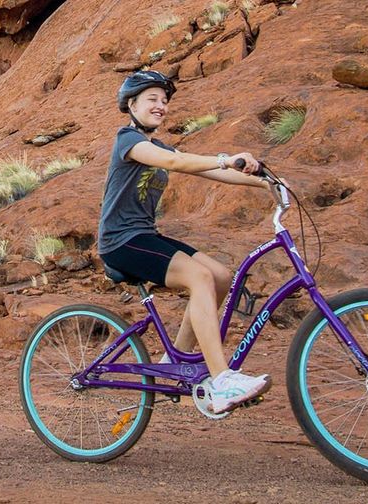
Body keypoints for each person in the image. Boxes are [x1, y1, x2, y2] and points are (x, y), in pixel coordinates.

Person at [99, 70, 274, 414]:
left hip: (144, 236)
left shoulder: (158, 145)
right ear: (131, 104)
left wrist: (267, 183)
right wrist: (226, 156)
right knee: (200, 277)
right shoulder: (127, 140)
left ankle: (173, 363)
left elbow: (204, 170)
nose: (161, 106)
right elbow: (174, 162)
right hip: (121, 241)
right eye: (152, 99)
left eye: (164, 101)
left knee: (222, 276)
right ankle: (222, 379)